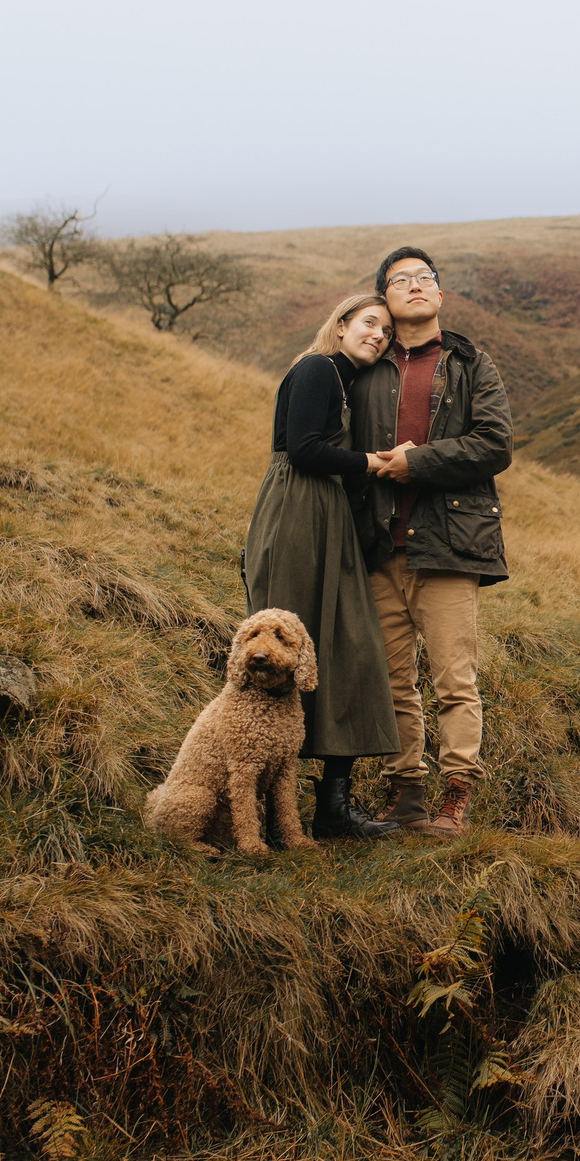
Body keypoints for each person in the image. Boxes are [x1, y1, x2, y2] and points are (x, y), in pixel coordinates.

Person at [351, 247, 513, 838]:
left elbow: (495, 444)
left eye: (425, 278)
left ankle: (455, 799)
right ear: (385, 299)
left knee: (453, 681)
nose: (415, 285)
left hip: (448, 544)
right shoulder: (365, 366)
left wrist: (417, 462)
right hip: (378, 547)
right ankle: (406, 798)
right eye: (401, 280)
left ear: (440, 294)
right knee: (393, 682)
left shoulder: (472, 364)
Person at [239, 292, 402, 839]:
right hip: (297, 515)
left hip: (328, 517)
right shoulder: (316, 369)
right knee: (275, 656)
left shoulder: (346, 381)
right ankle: (251, 809)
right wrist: (371, 463)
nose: (378, 335)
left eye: (386, 332)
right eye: (370, 323)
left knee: (348, 649)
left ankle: (332, 808)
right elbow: (306, 450)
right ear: (341, 324)